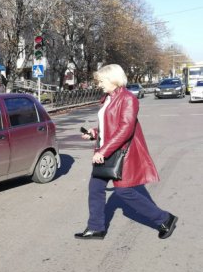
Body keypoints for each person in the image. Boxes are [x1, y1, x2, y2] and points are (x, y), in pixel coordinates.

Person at [75, 64, 177, 240]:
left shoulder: (128, 99)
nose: (99, 84)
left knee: (123, 192)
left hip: (121, 154)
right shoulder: (107, 98)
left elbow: (125, 129)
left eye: (102, 81)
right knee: (95, 188)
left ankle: (165, 219)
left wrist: (103, 151)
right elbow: (109, 125)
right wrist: (94, 133)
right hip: (106, 151)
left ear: (113, 79)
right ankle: (96, 227)